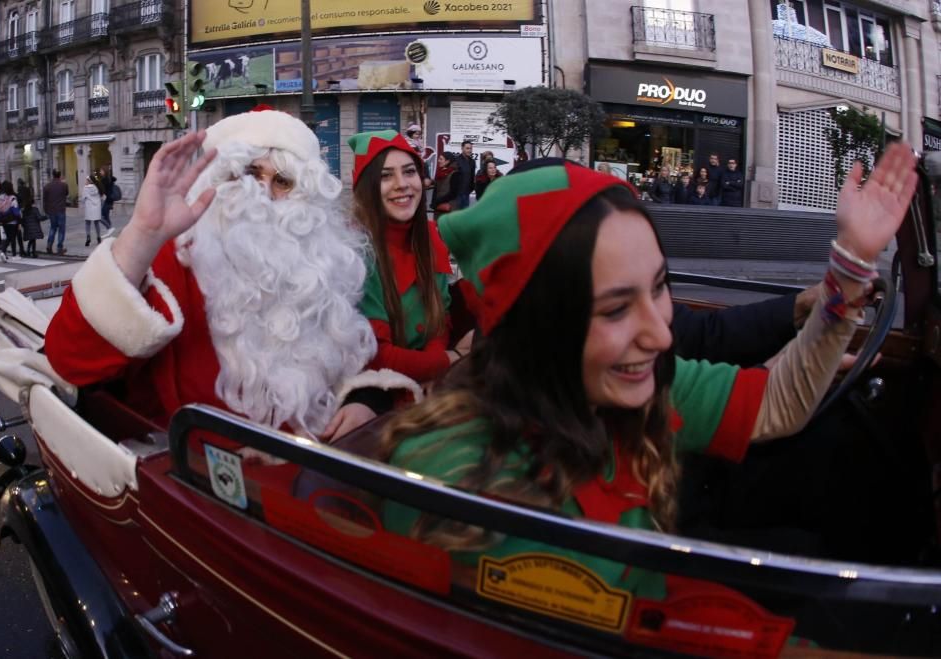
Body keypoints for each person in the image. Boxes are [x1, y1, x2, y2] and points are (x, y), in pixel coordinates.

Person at [377, 144, 916, 600]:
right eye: (614, 309)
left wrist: (849, 265)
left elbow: (776, 403)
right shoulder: (464, 485)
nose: (661, 335)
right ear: (534, 329)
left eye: (658, 287)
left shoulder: (631, 380)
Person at [45, 109, 389, 436]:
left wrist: (364, 398)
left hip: (315, 460)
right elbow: (69, 360)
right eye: (250, 174)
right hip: (204, 473)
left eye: (282, 181)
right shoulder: (178, 256)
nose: (264, 194)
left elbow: (351, 357)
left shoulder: (315, 266)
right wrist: (143, 234)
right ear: (220, 179)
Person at [347, 129, 461, 387]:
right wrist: (448, 361)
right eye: (386, 176)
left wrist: (433, 370)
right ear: (367, 189)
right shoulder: (354, 252)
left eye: (409, 171)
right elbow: (375, 354)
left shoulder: (431, 237)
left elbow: (439, 322)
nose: (402, 184)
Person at [43, 169, 69, 255]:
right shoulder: (64, 185)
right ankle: (59, 248)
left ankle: (49, 245)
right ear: (60, 175)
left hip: (51, 210)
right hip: (60, 209)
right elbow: (66, 194)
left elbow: (45, 200)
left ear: (52, 175)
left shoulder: (47, 186)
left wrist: (46, 210)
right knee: (61, 229)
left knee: (53, 227)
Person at [0, 180, 20, 262]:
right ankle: (7, 253)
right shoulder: (12, 198)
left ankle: (6, 253)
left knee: (8, 237)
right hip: (12, 220)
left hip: (3, 220)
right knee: (11, 238)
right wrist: (19, 219)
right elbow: (16, 211)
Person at [431, 151, 460, 218]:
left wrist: (438, 201)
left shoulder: (455, 173)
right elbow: (436, 189)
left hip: (450, 207)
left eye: (441, 159)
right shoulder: (440, 173)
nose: (438, 161)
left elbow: (453, 193)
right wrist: (434, 203)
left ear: (447, 161)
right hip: (438, 207)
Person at [94, 165, 117, 236]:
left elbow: (98, 184)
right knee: (106, 216)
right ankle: (110, 232)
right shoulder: (110, 179)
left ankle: (110, 228)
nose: (100, 172)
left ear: (104, 171)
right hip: (110, 200)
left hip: (106, 200)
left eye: (101, 171)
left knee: (99, 216)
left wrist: (95, 176)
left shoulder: (105, 180)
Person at [81, 176, 102, 246]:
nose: (85, 182)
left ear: (89, 181)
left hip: (89, 207)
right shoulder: (97, 187)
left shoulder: (85, 188)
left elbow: (83, 198)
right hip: (96, 208)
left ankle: (88, 237)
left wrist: (83, 202)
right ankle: (98, 237)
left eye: (86, 180)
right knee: (96, 223)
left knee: (87, 223)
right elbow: (100, 197)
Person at [454, 140, 476, 209]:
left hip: (466, 193)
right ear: (462, 148)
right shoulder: (456, 160)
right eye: (467, 148)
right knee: (456, 215)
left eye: (470, 148)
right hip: (457, 195)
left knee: (464, 216)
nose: (469, 150)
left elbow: (472, 176)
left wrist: (471, 188)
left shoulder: (472, 162)